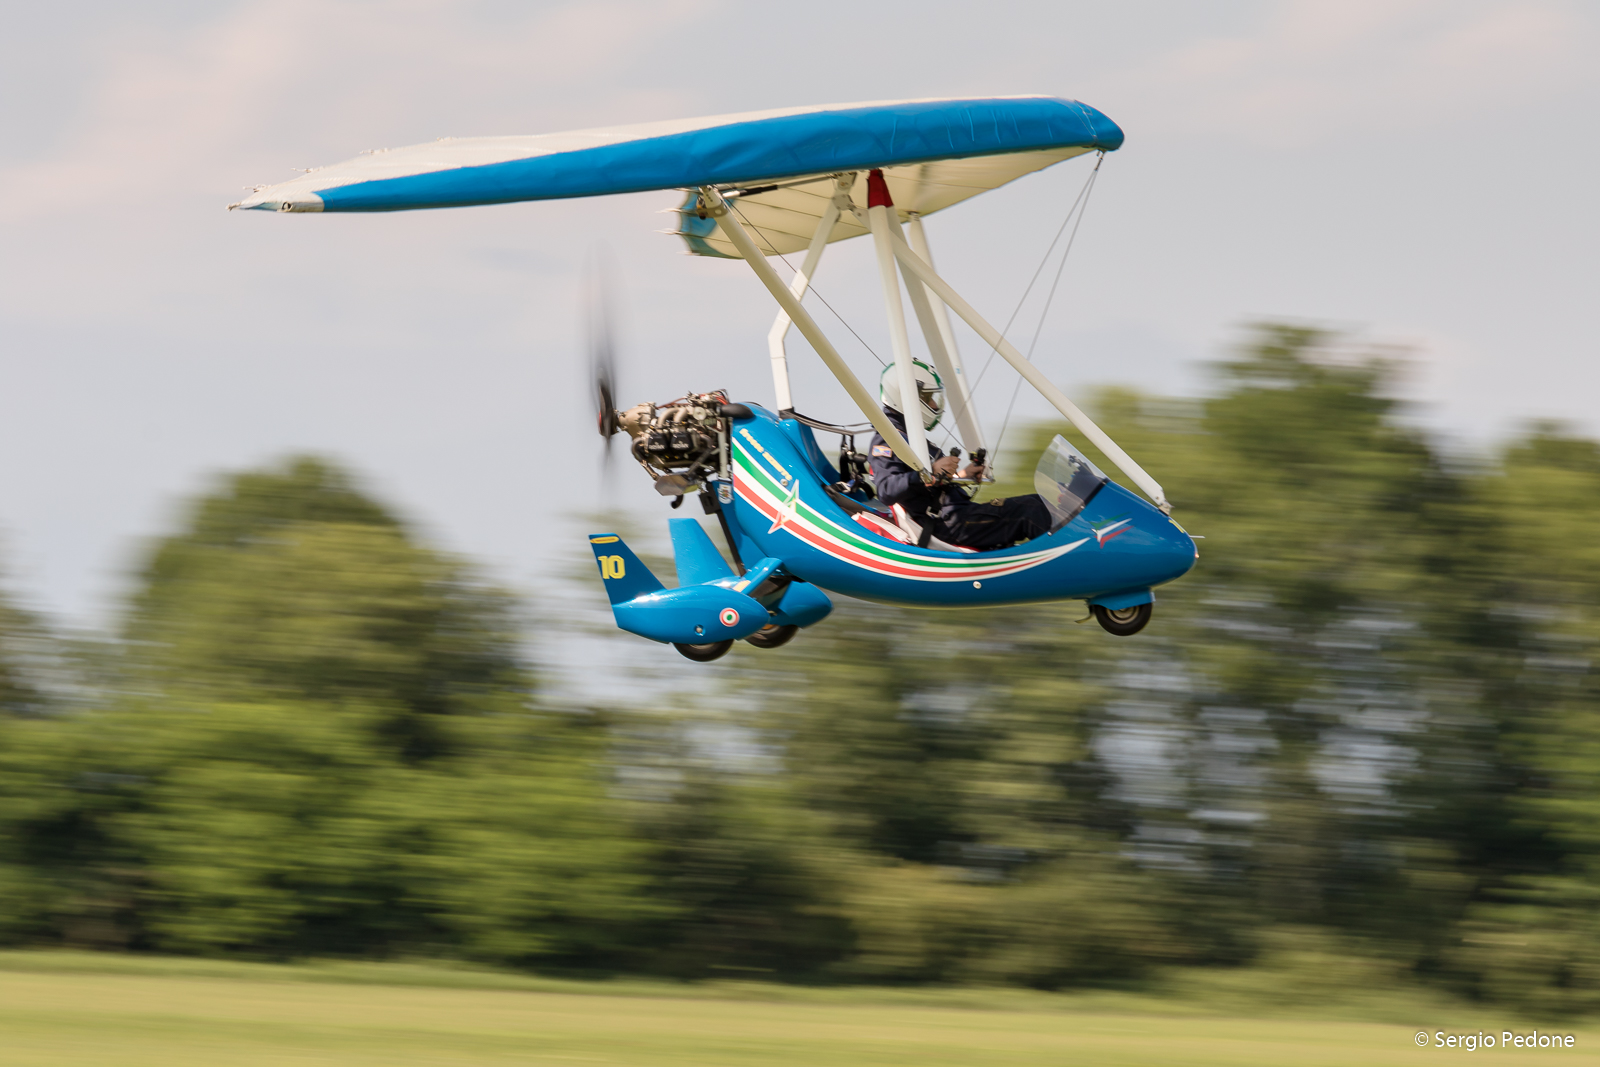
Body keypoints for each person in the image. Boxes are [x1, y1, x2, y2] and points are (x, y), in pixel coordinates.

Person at [867, 361, 1052, 551]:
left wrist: (962, 475)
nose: (933, 404)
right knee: (1030, 510)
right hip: (945, 524)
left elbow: (927, 487)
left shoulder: (910, 438)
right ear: (907, 397)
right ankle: (1064, 569)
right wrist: (929, 472)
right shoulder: (887, 439)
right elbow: (886, 489)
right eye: (928, 397)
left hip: (955, 516)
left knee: (1041, 501)